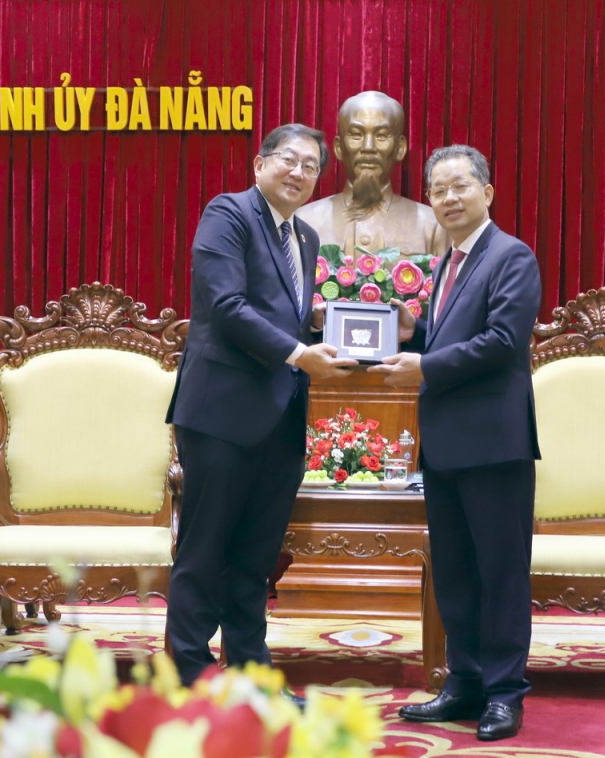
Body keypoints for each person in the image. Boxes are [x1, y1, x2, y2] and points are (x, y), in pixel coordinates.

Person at [165, 124, 358, 700]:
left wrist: (322, 326)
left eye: (310, 166)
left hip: (281, 416)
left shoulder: (304, 237)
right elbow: (227, 305)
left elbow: (282, 314)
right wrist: (300, 353)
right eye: (288, 160)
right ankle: (189, 676)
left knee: (255, 557)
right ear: (259, 164)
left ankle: (251, 676)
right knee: (204, 550)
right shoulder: (228, 214)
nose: (298, 172)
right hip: (221, 416)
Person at [369, 145, 541, 741]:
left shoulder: (511, 256)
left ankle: (504, 693)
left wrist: (426, 366)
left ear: (486, 192)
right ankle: (464, 682)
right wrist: (412, 340)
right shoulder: (448, 262)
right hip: (444, 445)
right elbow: (450, 342)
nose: (448, 198)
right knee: (456, 575)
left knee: (500, 574)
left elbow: (502, 341)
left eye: (460, 186)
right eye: (438, 189)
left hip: (494, 445)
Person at [296, 91, 446, 265]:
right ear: (339, 147)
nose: (368, 147)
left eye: (381, 136)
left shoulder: (432, 226)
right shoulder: (303, 221)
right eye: (356, 135)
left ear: (400, 148)